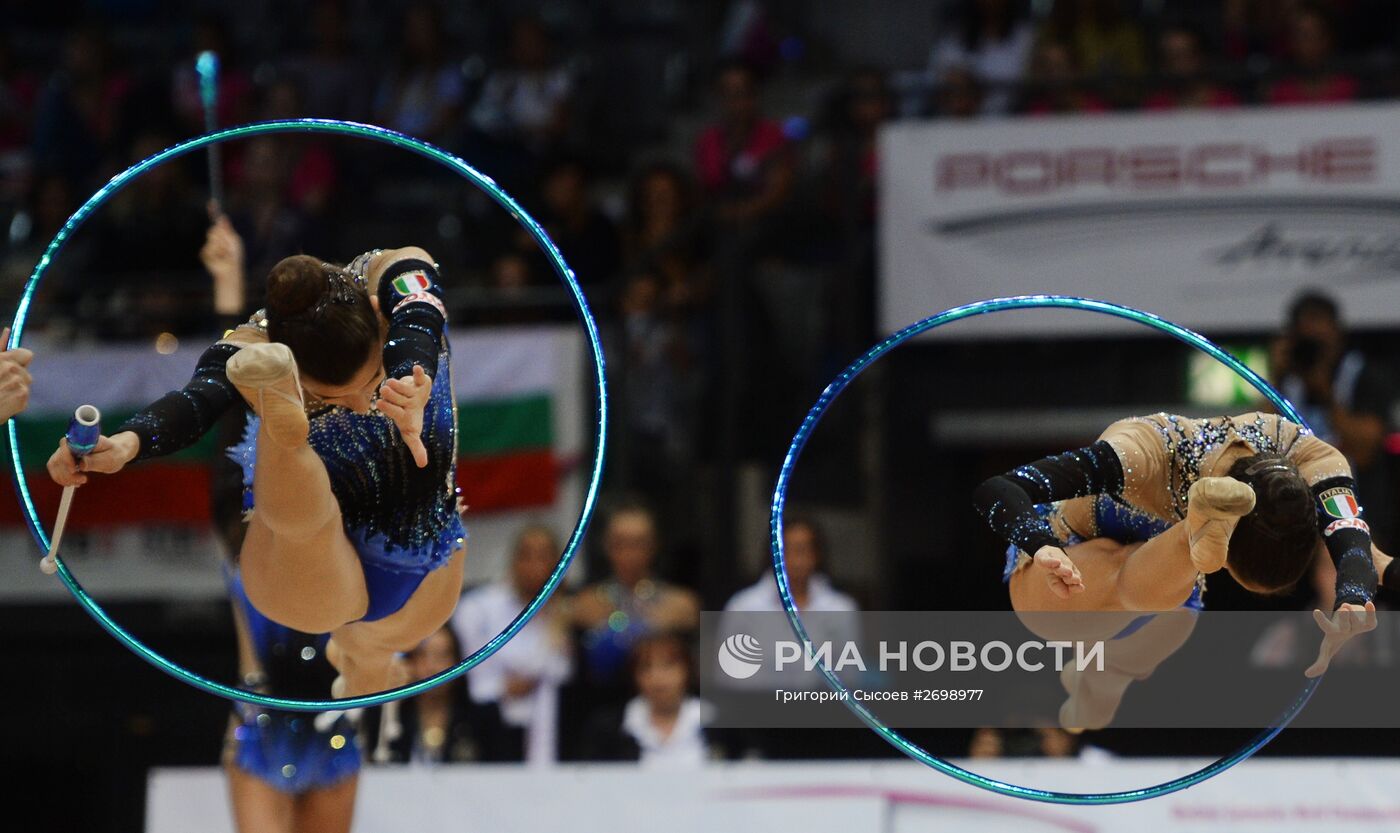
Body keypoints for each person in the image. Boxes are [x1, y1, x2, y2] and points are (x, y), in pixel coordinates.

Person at [47, 245, 464, 699]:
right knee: (313, 528)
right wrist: (126, 443)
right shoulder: (254, 342)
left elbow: (420, 310)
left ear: (380, 314)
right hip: (322, 560)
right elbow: (197, 401)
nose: (363, 404)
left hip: (400, 560)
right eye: (334, 397)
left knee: (364, 631)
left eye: (369, 383)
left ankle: (366, 660)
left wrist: (407, 374)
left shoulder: (395, 276)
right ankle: (282, 417)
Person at [974, 412, 1388, 728]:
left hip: (1160, 585)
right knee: (1135, 592)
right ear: (1226, 554)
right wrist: (1039, 543)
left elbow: (1350, 532)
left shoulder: (1306, 453)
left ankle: (1098, 679)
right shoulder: (1143, 452)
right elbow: (1000, 489)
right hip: (1073, 555)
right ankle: (1196, 525)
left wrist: (1353, 596)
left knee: (1108, 689)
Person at [223, 570, 361, 833]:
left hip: (334, 729)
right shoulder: (247, 570)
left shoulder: (350, 568)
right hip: (261, 724)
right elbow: (249, 662)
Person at [1273, 291, 1394, 548]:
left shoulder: (1363, 374)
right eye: (1307, 343)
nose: (1313, 352)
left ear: (1339, 336)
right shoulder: (1287, 381)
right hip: (1295, 513)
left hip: (1356, 508)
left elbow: (1366, 450)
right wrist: (1274, 379)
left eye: (1320, 343)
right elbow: (1259, 439)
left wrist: (1325, 393)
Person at [454, 524, 572, 763]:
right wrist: (503, 686)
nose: (535, 565)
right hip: (489, 727)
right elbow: (476, 682)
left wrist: (559, 621)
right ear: (513, 560)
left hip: (550, 730)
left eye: (544, 556)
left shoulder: (567, 612)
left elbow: (561, 672)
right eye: (526, 555)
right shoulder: (479, 607)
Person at [362, 624, 500, 765]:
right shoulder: (388, 718)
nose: (432, 667)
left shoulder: (483, 719)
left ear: (459, 662)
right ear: (410, 661)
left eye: (442, 656)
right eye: (423, 655)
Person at [582, 632, 713, 767]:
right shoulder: (608, 728)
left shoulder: (718, 724)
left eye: (668, 665)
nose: (657, 677)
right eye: (646, 667)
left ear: (688, 670)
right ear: (633, 675)